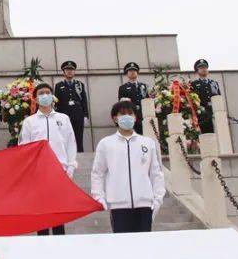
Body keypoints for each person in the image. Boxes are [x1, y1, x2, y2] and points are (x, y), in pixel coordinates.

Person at [90, 100, 165, 233]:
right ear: (115, 118)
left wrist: (158, 198)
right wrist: (99, 197)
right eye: (122, 114)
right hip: (119, 205)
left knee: (144, 247)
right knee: (123, 249)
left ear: (135, 117)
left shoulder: (147, 143)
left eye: (130, 113)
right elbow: (98, 173)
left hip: (145, 205)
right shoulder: (106, 144)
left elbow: (156, 173)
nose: (127, 116)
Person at [19, 82, 77, 236]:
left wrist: (70, 167)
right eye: (41, 93)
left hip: (59, 170)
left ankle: (60, 243)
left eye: (47, 92)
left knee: (58, 213)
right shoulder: (29, 122)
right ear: (36, 99)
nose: (45, 95)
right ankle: (42, 243)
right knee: (42, 212)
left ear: (53, 97)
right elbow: (24, 147)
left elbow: (71, 143)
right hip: (38, 173)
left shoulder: (63, 118)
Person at [54, 60, 90, 153]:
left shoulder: (79, 85)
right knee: (65, 137)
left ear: (74, 71)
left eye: (71, 70)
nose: (69, 71)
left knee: (78, 137)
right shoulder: (59, 86)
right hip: (64, 115)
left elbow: (84, 100)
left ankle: (80, 155)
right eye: (67, 70)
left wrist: (86, 115)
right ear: (64, 72)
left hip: (78, 115)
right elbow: (56, 102)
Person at [189, 58, 222, 134]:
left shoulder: (214, 83)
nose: (203, 69)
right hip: (203, 114)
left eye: (205, 67)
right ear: (197, 71)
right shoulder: (194, 84)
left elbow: (218, 97)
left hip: (215, 112)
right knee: (207, 134)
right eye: (201, 68)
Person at [117, 62, 150, 135]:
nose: (132, 72)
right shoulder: (123, 88)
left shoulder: (143, 86)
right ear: (127, 73)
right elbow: (121, 104)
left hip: (144, 116)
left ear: (137, 73)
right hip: (131, 116)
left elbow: (147, 100)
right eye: (130, 71)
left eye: (134, 71)